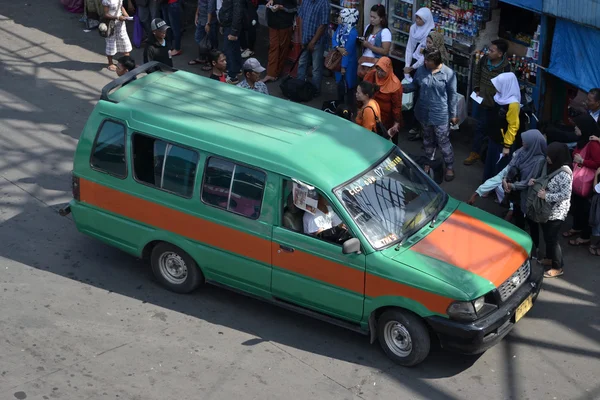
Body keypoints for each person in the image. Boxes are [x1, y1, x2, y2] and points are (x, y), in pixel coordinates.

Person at [403, 51, 457, 181]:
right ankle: (429, 163)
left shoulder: (448, 74)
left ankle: (449, 166)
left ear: (436, 62)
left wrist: (453, 115)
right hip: (424, 113)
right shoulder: (421, 70)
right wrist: (402, 88)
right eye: (425, 60)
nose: (425, 62)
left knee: (443, 142)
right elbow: (415, 85)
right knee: (427, 140)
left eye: (428, 61)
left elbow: (452, 95)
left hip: (440, 114)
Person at [528, 143, 573, 278]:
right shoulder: (554, 166)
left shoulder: (565, 173)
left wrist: (546, 196)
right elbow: (548, 180)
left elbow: (565, 194)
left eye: (550, 156)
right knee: (547, 236)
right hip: (547, 210)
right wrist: (537, 181)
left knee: (552, 239)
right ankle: (549, 257)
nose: (547, 158)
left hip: (556, 212)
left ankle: (558, 267)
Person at [464, 39, 512, 166]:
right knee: (480, 126)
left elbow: (507, 87)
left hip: (495, 105)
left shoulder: (506, 68)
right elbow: (477, 73)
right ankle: (476, 152)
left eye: (492, 51)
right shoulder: (484, 60)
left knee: (488, 128)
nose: (488, 52)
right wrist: (477, 89)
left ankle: (482, 153)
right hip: (481, 100)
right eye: (489, 50)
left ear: (500, 54)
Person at [562, 113, 600, 247]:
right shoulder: (583, 140)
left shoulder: (593, 143)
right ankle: (576, 227)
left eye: (577, 127)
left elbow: (597, 163)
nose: (575, 129)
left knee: (585, 209)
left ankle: (585, 236)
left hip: (587, 182)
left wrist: (582, 161)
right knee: (577, 206)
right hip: (578, 179)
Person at [481, 72, 520, 182]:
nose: (496, 88)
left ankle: (497, 191)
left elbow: (513, 126)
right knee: (490, 163)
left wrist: (507, 146)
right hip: (494, 137)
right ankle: (486, 187)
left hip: (503, 142)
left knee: (499, 168)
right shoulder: (499, 97)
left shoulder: (513, 104)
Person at [363, 57, 403, 139]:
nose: (379, 73)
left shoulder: (395, 84)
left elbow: (396, 106)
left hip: (386, 120)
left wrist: (396, 123)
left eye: (382, 71)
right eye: (378, 69)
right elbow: (362, 92)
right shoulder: (371, 75)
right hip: (370, 114)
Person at [297, 0, 331, 96]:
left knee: (316, 68)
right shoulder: (306, 1)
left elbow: (323, 25)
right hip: (305, 38)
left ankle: (315, 91)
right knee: (302, 63)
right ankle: (299, 86)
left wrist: (313, 42)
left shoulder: (324, 3)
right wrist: (301, 38)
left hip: (317, 42)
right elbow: (301, 18)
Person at [263, 0, 297, 83]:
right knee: (273, 47)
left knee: (282, 48)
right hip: (273, 22)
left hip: (285, 24)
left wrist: (282, 7)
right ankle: (271, 74)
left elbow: (295, 8)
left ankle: (276, 73)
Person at [332, 8, 359, 108]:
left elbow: (347, 51)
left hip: (348, 65)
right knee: (340, 84)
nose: (338, 18)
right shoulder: (340, 28)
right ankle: (340, 105)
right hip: (338, 61)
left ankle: (348, 107)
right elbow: (334, 39)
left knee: (348, 86)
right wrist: (338, 48)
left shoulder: (353, 33)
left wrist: (343, 66)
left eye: (340, 17)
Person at [357, 5, 391, 79]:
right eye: (371, 16)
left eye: (374, 17)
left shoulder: (385, 32)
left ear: (381, 18)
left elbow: (385, 51)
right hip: (364, 61)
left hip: (376, 63)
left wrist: (369, 45)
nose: (371, 19)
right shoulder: (368, 27)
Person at [219, 0, 245, 84]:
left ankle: (232, 76)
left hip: (231, 26)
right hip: (230, 24)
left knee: (228, 49)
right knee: (234, 47)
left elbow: (238, 12)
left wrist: (234, 31)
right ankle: (237, 69)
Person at [102, 0, 132, 71]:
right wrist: (118, 17)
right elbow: (106, 14)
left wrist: (127, 16)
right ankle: (110, 63)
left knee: (125, 42)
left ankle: (127, 63)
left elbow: (121, 6)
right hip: (110, 25)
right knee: (111, 43)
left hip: (121, 24)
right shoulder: (106, 1)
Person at [403, 7, 434, 77]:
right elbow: (410, 47)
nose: (417, 20)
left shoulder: (430, 33)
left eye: (420, 19)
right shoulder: (413, 28)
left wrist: (412, 67)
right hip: (413, 60)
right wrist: (407, 65)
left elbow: (426, 55)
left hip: (424, 64)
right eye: (416, 17)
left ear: (426, 20)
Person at [189, 0, 218, 71]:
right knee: (199, 38)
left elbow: (210, 8)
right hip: (201, 17)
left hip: (209, 19)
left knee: (211, 41)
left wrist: (208, 23)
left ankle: (211, 61)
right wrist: (196, 14)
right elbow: (200, 3)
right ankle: (203, 57)